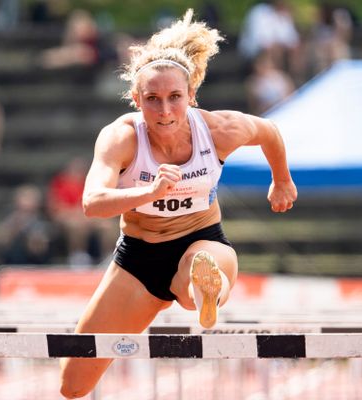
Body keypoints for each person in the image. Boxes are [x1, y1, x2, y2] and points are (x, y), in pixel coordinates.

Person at [59, 9, 297, 399]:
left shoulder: (217, 129)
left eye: (174, 99)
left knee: (192, 284)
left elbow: (268, 130)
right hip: (138, 258)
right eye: (152, 100)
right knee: (73, 384)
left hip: (202, 239)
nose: (165, 112)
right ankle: (199, 287)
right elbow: (92, 202)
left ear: (192, 97)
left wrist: (282, 180)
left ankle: (207, 289)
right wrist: (147, 194)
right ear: (136, 100)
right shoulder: (120, 137)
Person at [0, 184, 53, 266]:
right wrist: (14, 228)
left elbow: (41, 247)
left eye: (31, 199)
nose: (27, 203)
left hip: (35, 261)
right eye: (25, 198)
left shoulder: (42, 218)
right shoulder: (8, 216)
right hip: (10, 258)